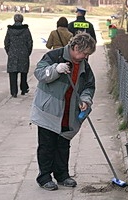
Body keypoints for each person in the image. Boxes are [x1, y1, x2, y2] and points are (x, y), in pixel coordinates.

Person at [31, 33, 96, 191]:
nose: (86, 57)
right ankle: (44, 177)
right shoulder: (54, 56)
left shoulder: (84, 65)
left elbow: (89, 86)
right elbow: (39, 73)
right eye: (84, 53)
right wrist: (55, 69)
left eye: (88, 54)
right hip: (49, 110)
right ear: (75, 47)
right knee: (47, 145)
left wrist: (85, 100)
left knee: (63, 144)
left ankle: (62, 175)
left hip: (69, 111)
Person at [4, 13, 33, 98]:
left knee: (13, 74)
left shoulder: (10, 30)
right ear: (22, 20)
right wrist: (28, 52)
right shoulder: (26, 30)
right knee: (24, 73)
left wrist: (9, 52)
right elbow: (30, 42)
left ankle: (14, 92)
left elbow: (6, 43)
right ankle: (23, 89)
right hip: (24, 54)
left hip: (12, 54)